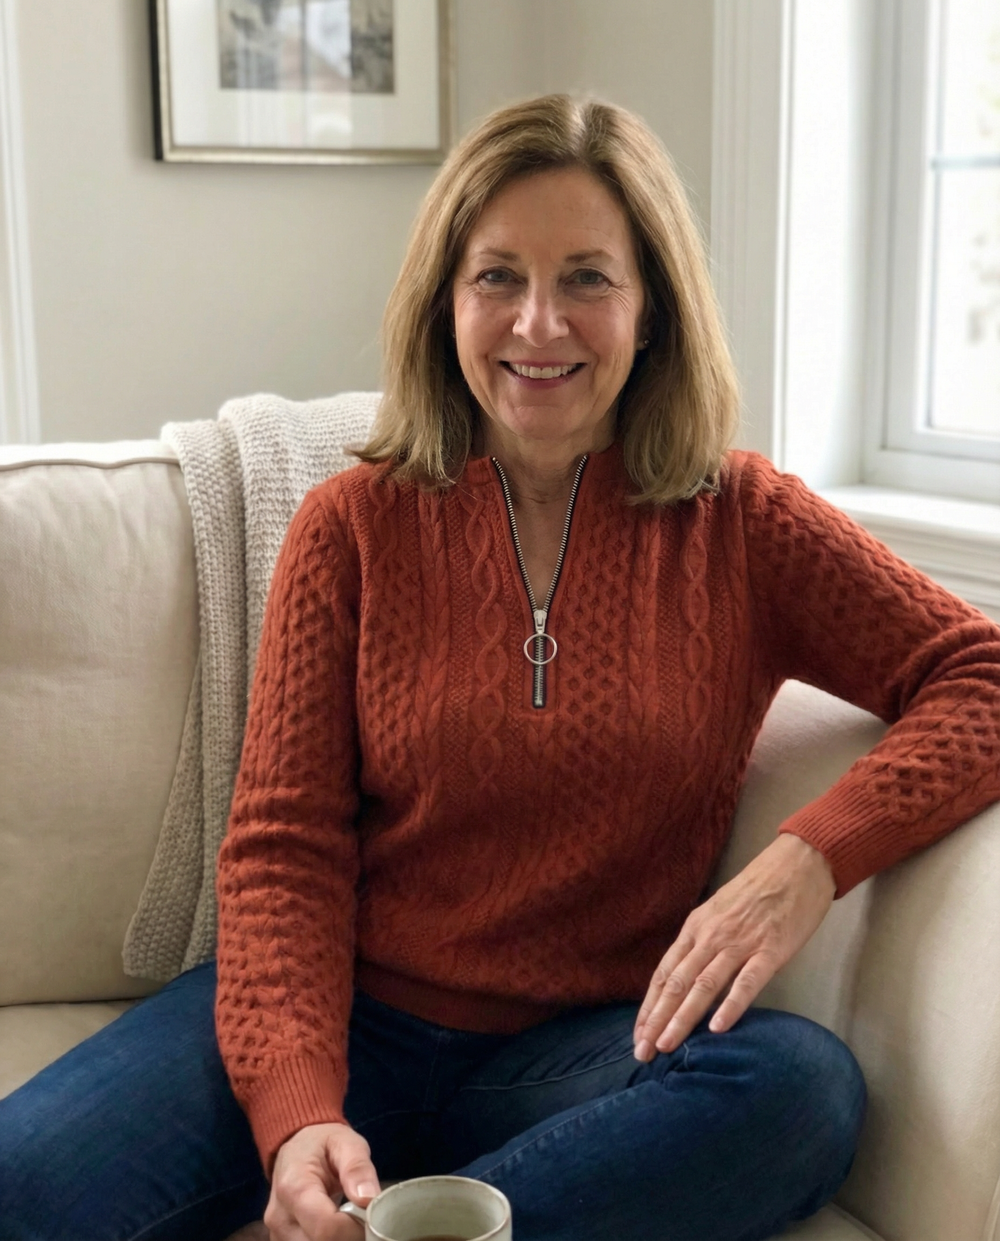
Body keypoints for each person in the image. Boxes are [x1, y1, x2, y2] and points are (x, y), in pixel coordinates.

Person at [2, 94, 999, 1241]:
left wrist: (807, 858)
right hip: (349, 1015)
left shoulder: (745, 522)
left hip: (584, 1054)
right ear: (446, 301)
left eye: (587, 277)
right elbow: (283, 847)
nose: (538, 322)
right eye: (496, 277)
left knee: (798, 1089)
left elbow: (977, 672)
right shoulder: (349, 526)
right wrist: (297, 1111)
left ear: (651, 310)